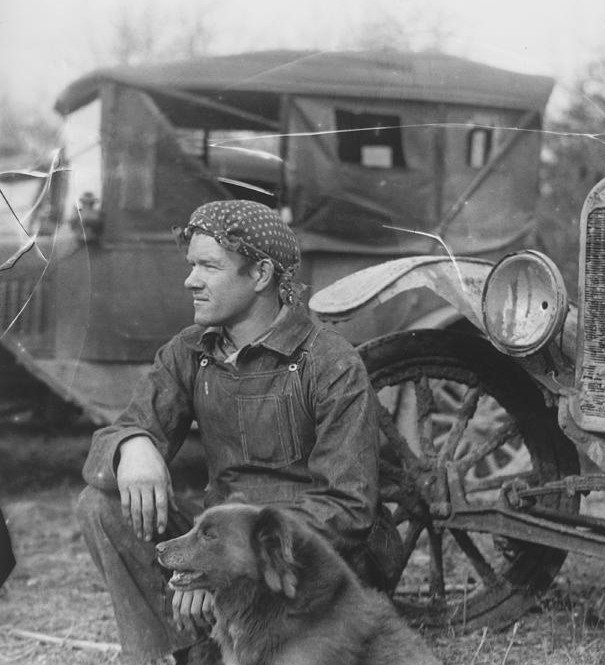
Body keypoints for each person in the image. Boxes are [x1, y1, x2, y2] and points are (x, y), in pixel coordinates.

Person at [76, 200, 400, 665]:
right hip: (225, 547)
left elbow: (347, 509)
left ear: (261, 274)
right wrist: (133, 444)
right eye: (191, 265)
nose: (190, 280)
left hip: (304, 561)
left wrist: (219, 566)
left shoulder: (331, 363)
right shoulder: (189, 351)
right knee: (101, 505)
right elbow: (117, 437)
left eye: (208, 266)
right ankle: (180, 652)